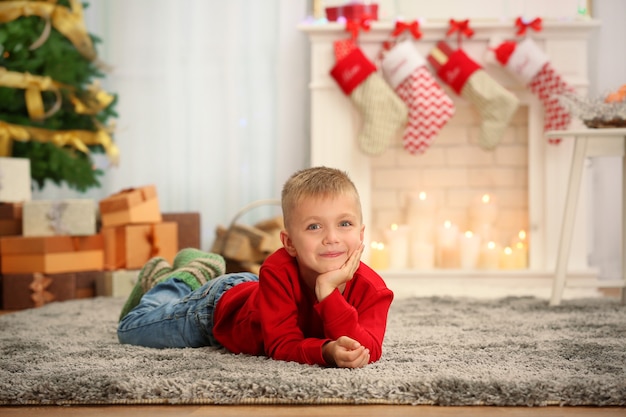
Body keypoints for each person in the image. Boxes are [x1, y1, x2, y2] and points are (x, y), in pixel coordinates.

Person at [118, 166, 394, 368]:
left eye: (344, 223)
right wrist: (325, 345)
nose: (331, 237)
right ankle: (176, 280)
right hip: (216, 311)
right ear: (289, 243)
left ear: (361, 233)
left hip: (254, 292)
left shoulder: (374, 290)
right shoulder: (279, 269)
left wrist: (338, 343)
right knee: (131, 329)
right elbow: (281, 345)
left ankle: (189, 273)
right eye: (314, 226)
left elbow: (369, 349)